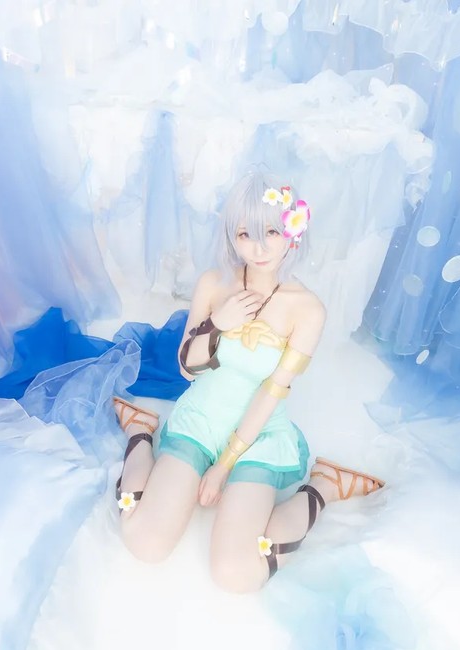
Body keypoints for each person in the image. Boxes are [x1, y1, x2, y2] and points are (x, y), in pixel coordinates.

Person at [111, 169, 385, 594]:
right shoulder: (214, 284)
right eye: (245, 234)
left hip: (259, 434)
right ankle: (139, 433)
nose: (258, 248)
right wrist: (217, 323)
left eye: (271, 232)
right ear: (232, 237)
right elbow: (186, 369)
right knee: (144, 542)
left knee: (236, 573)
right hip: (201, 419)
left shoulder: (307, 309)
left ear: (292, 231)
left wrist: (223, 467)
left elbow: (273, 390)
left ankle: (324, 487)